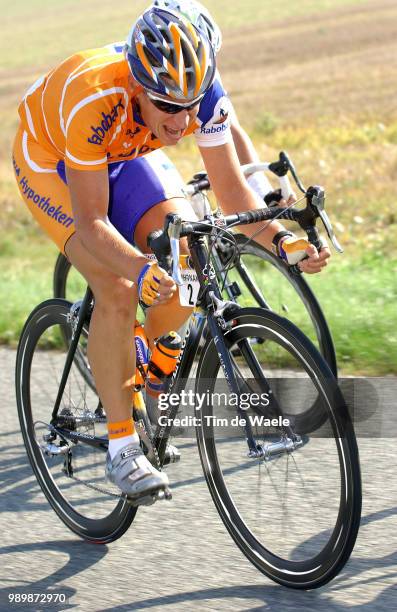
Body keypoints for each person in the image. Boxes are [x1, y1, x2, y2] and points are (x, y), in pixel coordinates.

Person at [12, 6, 330, 503]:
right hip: (51, 160)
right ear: (139, 87)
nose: (182, 121)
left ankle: (147, 360)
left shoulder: (196, 92)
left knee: (186, 247)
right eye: (167, 105)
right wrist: (138, 269)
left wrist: (284, 243)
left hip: (126, 152)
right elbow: (93, 222)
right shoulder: (94, 97)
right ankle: (122, 448)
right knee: (117, 286)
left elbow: (230, 192)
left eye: (191, 105)